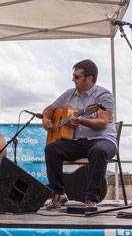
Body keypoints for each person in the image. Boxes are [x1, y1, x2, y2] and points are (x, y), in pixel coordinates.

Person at [42, 59, 118, 209]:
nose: (73, 79)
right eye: (73, 76)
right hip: (78, 142)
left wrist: (82, 120)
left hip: (102, 140)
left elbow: (103, 123)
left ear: (89, 78)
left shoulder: (103, 95)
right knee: (51, 149)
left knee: (98, 150)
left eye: (77, 77)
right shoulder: (69, 95)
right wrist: (46, 118)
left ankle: (91, 199)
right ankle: (59, 194)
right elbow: (48, 110)